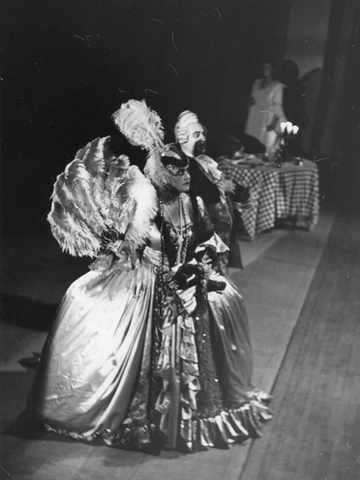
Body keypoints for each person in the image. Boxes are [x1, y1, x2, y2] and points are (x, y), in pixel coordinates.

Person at [27, 100, 270, 453]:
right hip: (147, 282)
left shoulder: (193, 204)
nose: (187, 175)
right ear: (161, 174)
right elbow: (129, 247)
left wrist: (198, 264)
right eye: (178, 170)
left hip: (187, 283)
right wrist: (146, 255)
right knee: (85, 303)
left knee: (228, 301)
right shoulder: (146, 206)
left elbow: (205, 239)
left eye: (187, 169)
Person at [174, 110, 242, 270]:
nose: (203, 138)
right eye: (197, 134)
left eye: (203, 134)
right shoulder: (180, 162)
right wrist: (219, 186)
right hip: (202, 233)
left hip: (217, 232)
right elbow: (191, 193)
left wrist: (220, 180)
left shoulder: (198, 158)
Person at [245, 60, 286, 153]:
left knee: (265, 144)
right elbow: (253, 97)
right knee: (252, 142)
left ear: (273, 70)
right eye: (263, 67)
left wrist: (273, 123)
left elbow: (278, 107)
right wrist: (249, 101)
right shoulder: (257, 82)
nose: (265, 70)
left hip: (267, 118)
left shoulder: (277, 86)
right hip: (254, 116)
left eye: (268, 68)